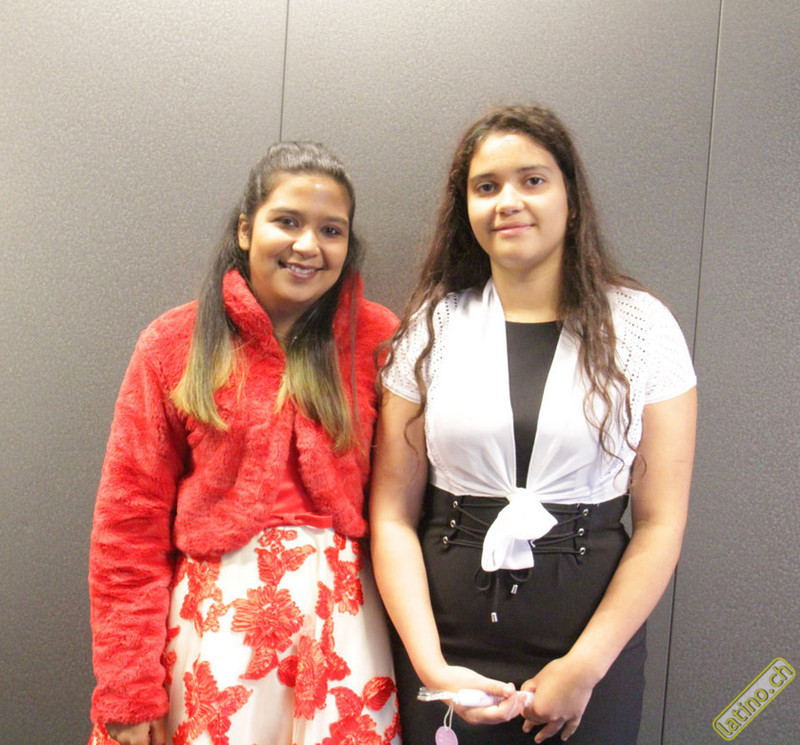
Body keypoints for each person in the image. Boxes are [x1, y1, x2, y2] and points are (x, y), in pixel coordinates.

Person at [370, 105, 697, 744]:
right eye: (486, 186)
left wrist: (586, 666)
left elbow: (661, 522)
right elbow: (390, 516)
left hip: (589, 650)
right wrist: (432, 667)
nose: (508, 202)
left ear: (571, 200)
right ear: (466, 209)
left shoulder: (643, 328)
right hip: (446, 645)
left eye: (533, 180)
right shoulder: (431, 327)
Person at [88, 142, 401, 745]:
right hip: (214, 636)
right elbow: (128, 525)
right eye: (287, 221)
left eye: (331, 230)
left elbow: (411, 500)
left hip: (344, 631)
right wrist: (128, 686)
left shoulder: (380, 339)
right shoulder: (174, 342)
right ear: (244, 228)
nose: (308, 245)